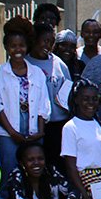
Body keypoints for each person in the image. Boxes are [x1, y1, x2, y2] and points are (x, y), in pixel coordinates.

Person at [0, 17, 51, 181]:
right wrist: (12, 132)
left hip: (33, 131)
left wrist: (39, 131)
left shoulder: (37, 73)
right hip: (8, 132)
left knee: (34, 174)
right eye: (13, 46)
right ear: (6, 47)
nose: (18, 50)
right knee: (9, 173)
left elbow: (43, 105)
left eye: (22, 46)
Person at [28, 22, 73, 162]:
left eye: (51, 42)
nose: (48, 46)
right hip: (35, 124)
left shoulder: (59, 64)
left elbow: (68, 91)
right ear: (35, 40)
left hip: (58, 123)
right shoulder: (26, 63)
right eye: (45, 41)